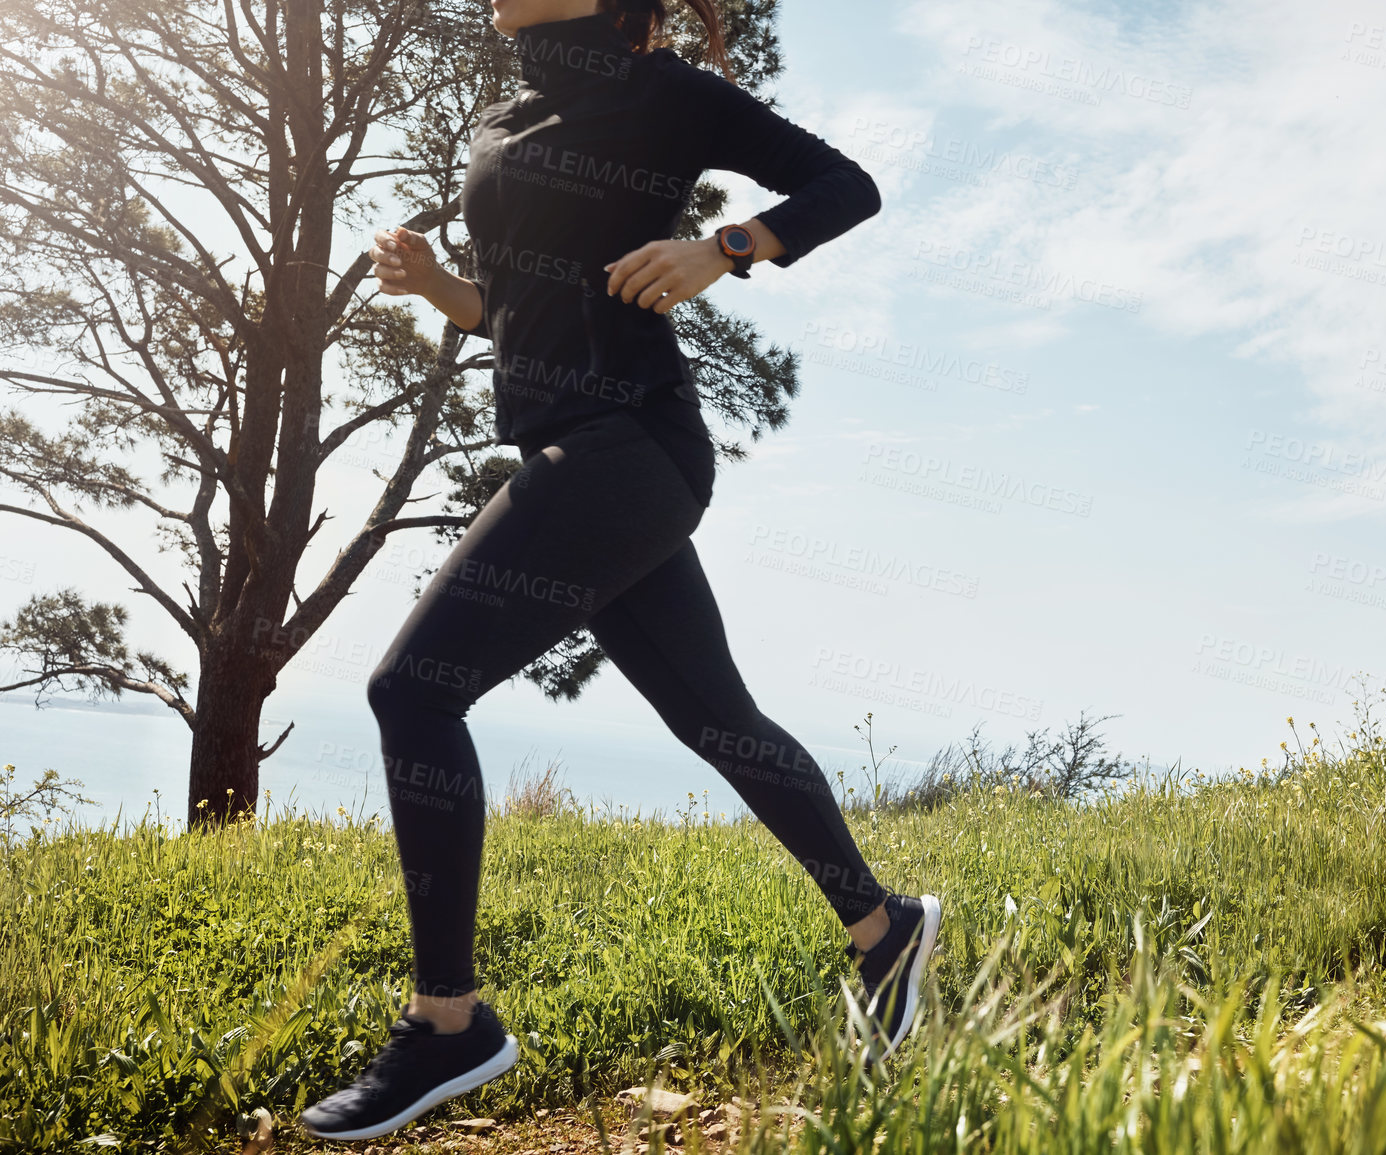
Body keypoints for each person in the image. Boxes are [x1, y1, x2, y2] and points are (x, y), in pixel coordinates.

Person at [298, 0, 940, 1141]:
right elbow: (524, 309)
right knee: (717, 718)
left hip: (629, 446)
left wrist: (726, 248)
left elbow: (846, 188)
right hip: (573, 446)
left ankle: (449, 1027)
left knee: (414, 691)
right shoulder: (503, 110)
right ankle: (886, 931)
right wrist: (439, 287)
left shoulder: (662, 90)